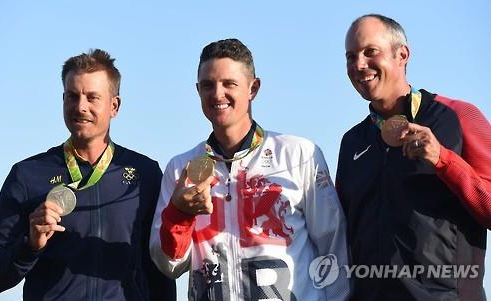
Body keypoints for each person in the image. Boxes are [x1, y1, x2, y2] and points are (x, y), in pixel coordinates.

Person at [149, 38, 350, 300]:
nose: (217, 94)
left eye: (229, 83)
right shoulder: (181, 168)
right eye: (208, 85)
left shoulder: (298, 153)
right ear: (198, 90)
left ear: (253, 88)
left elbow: (334, 247)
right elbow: (169, 265)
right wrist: (179, 215)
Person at [0, 49, 176, 300]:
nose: (81, 107)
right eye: (72, 96)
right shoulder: (27, 175)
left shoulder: (145, 174)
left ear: (114, 106)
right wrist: (29, 246)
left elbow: (159, 267)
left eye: (92, 97)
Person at [336, 14, 491, 300]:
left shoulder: (459, 117)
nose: (359, 64)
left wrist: (443, 159)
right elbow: (339, 232)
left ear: (402, 55)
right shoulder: (351, 142)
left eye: (371, 52)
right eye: (350, 56)